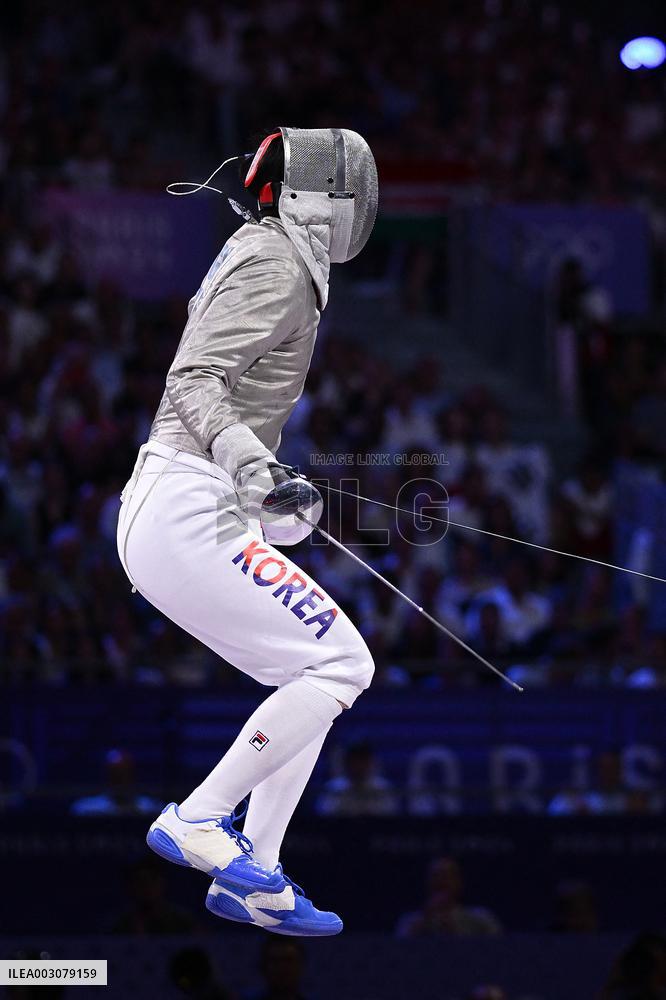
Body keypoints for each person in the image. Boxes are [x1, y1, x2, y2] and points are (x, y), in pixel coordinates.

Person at [116, 127, 378, 936]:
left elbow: (220, 398)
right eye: (350, 188)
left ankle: (255, 874)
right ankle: (199, 819)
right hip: (183, 505)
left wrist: (268, 496)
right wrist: (252, 468)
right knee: (341, 662)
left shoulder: (273, 255)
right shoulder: (274, 259)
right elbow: (191, 379)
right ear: (312, 198)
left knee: (304, 679)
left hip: (193, 505)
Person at [395, 856, 502, 937]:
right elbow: (397, 954)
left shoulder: (481, 918)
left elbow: (498, 951)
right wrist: (425, 918)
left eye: (447, 875)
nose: (441, 881)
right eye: (435, 876)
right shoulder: (408, 921)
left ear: (459, 882)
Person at [315, 740, 399, 817]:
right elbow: (323, 817)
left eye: (362, 760)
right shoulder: (333, 789)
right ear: (346, 762)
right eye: (354, 761)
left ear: (370, 762)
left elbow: (391, 818)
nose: (358, 766)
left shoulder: (383, 789)